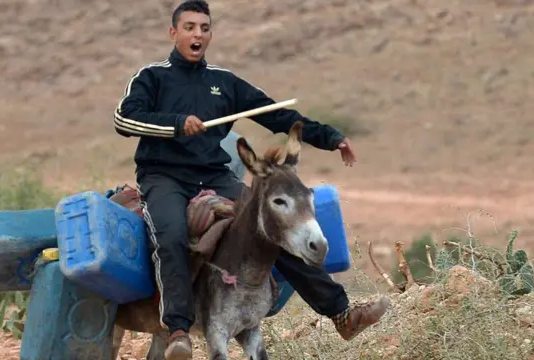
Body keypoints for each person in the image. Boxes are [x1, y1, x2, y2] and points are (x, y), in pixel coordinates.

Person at [112, 1, 391, 358]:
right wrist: (176, 123)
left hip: (213, 174)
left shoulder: (224, 83)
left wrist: (330, 137)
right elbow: (125, 120)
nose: (198, 34)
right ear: (174, 33)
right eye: (190, 27)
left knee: (272, 225)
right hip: (164, 177)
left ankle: (341, 313)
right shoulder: (151, 77)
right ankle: (178, 330)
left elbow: (277, 114)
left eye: (204, 28)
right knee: (171, 234)